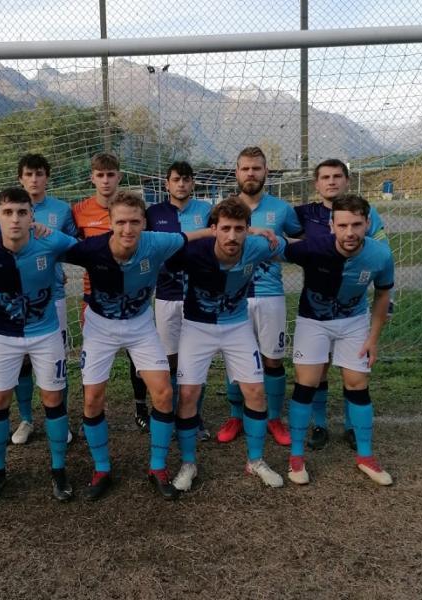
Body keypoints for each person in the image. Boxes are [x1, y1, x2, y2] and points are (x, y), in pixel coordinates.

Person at [65, 191, 212, 501]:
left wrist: (238, 230)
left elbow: (193, 235)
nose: (127, 229)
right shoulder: (91, 248)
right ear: (110, 222)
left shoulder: (157, 242)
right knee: (92, 399)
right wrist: (37, 230)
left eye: (134, 222)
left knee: (164, 393)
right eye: (120, 222)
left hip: (140, 325)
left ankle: (157, 467)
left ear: (144, 223)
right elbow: (53, 248)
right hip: (100, 327)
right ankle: (101, 469)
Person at [0, 187, 77, 502]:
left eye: (21, 212)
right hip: (4, 336)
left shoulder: (51, 241)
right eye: (8, 212)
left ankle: (59, 470)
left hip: (46, 334)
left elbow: (92, 252)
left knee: (53, 398)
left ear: (32, 216)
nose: (15, 219)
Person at [172, 197, 286, 492]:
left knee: (256, 391)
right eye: (225, 228)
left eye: (239, 228)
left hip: (237, 326)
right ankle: (188, 463)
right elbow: (159, 249)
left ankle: (255, 460)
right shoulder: (193, 250)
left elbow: (293, 248)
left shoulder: (257, 246)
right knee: (188, 394)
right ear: (213, 229)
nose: (232, 236)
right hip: (197, 327)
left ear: (248, 229)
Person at [285, 194, 394, 486]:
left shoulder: (381, 255)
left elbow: (383, 293)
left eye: (356, 224)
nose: (350, 232)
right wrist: (261, 234)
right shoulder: (313, 247)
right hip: (313, 321)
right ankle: (296, 457)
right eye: (343, 225)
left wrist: (373, 338)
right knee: (306, 384)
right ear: (332, 226)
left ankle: (365, 456)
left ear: (367, 223)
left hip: (354, 322)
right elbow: (277, 249)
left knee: (357, 383)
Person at [294, 158, 389, 450]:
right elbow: (289, 243)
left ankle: (351, 427)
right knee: (317, 370)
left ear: (347, 180)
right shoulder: (303, 214)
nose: (332, 181)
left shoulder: (366, 213)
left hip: (353, 311)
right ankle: (319, 424)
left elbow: (380, 257)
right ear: (316, 183)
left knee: (355, 375)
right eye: (325, 177)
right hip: (317, 311)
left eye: (337, 176)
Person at [217, 147, 302, 447]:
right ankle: (236, 416)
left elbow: (299, 242)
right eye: (245, 168)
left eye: (256, 168)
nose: (250, 174)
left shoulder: (282, 209)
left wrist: (281, 245)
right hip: (233, 295)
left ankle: (273, 418)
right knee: (234, 358)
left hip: (269, 294)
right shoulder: (224, 209)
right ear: (236, 172)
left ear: (266, 171)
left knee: (272, 360)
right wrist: (253, 231)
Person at [72, 153, 149, 432]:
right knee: (92, 359)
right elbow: (71, 246)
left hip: (132, 293)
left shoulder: (132, 208)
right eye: (100, 175)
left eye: (110, 174)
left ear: (119, 176)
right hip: (94, 297)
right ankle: (92, 412)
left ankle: (141, 407)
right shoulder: (79, 211)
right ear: (92, 177)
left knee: (136, 355)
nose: (105, 180)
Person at [12, 153, 77, 445]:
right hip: (16, 298)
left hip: (54, 297)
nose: (34, 179)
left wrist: (58, 268)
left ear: (47, 177)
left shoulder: (62, 210)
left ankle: (60, 418)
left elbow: (73, 247)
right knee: (22, 361)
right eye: (28, 174)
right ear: (20, 178)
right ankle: (26, 419)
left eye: (39, 173)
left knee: (57, 361)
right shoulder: (10, 208)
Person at [145, 161, 212, 440]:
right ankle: (170, 414)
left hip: (198, 296)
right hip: (166, 296)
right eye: (176, 179)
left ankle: (194, 416)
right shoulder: (153, 213)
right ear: (167, 183)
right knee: (169, 359)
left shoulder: (206, 211)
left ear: (193, 182)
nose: (181, 184)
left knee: (196, 359)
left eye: (186, 179)